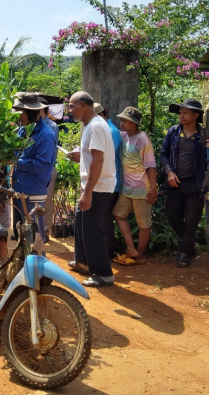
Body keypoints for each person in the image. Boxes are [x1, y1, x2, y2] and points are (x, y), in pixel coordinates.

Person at [66, 91, 116, 287]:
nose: (69, 110)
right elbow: (93, 156)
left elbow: (98, 160)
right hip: (95, 185)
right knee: (81, 220)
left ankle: (103, 274)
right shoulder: (90, 126)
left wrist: (88, 192)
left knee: (93, 230)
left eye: (72, 106)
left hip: (97, 187)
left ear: (84, 106)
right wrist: (80, 157)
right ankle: (84, 262)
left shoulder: (95, 126)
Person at [161, 98, 209, 268]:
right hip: (175, 182)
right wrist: (169, 172)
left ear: (195, 115)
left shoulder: (204, 134)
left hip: (195, 183)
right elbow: (163, 154)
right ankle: (190, 244)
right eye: (180, 113)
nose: (181, 116)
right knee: (172, 216)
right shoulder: (172, 132)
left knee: (192, 219)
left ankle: (185, 252)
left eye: (185, 113)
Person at [111, 107, 157, 266]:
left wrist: (153, 188)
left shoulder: (142, 139)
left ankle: (139, 256)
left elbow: (151, 165)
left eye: (124, 121)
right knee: (118, 214)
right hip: (128, 188)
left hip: (141, 188)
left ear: (133, 123)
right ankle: (132, 249)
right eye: (122, 120)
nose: (121, 123)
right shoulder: (124, 136)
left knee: (143, 223)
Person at [11, 93, 57, 243]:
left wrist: (17, 162)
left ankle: (36, 266)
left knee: (33, 239)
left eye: (20, 112)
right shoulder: (23, 131)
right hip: (19, 189)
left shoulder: (46, 135)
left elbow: (42, 165)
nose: (18, 116)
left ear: (29, 112)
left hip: (33, 193)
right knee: (20, 236)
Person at [95, 102, 122, 258]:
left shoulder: (111, 132)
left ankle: (109, 250)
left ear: (100, 116)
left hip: (110, 182)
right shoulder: (105, 130)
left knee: (104, 217)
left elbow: (105, 157)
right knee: (102, 216)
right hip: (103, 181)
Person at [39, 97, 59, 240]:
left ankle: (45, 231)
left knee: (47, 199)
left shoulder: (52, 126)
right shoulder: (32, 125)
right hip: (38, 167)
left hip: (48, 167)